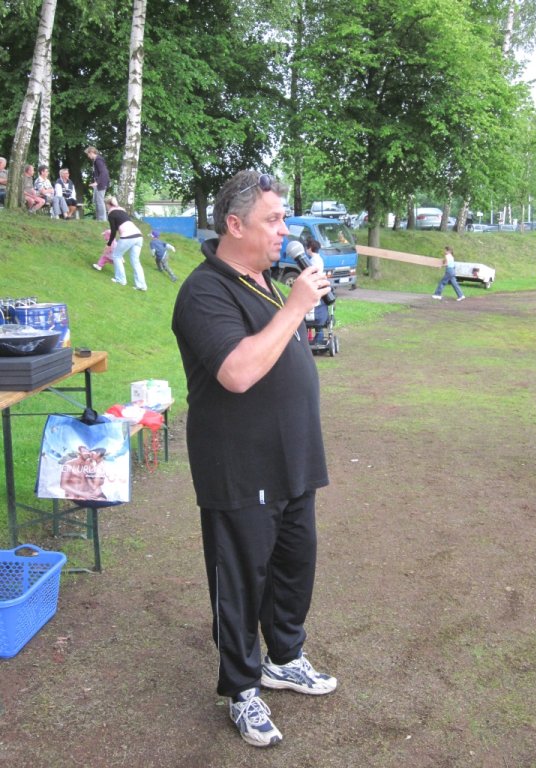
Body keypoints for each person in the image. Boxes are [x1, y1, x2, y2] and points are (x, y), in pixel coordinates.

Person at [172, 170, 337, 749]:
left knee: (294, 567)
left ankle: (284, 658)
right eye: (273, 219)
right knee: (240, 582)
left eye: (284, 218)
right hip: (238, 466)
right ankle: (242, 689)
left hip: (293, 458)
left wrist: (296, 306)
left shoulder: (264, 281)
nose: (284, 230)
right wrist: (296, 307)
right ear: (235, 225)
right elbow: (237, 372)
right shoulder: (204, 291)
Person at [105, 195, 147, 291]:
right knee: (135, 261)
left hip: (128, 236)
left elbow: (113, 231)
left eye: (106, 205)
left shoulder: (111, 214)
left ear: (108, 204)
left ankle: (121, 280)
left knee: (116, 255)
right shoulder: (122, 211)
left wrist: (109, 244)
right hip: (138, 236)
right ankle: (141, 285)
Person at [305, 237, 329, 343]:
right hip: (320, 285)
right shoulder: (319, 259)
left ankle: (315, 337)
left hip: (315, 286)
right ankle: (318, 336)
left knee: (313, 311)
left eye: (307, 247)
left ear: (310, 248)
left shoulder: (312, 262)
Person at [84, 146, 109, 221]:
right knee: (97, 201)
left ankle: (102, 219)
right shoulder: (96, 160)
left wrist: (97, 182)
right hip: (98, 183)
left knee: (100, 201)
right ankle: (99, 219)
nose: (88, 156)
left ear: (91, 152)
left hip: (101, 184)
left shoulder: (98, 160)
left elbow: (103, 172)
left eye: (88, 154)